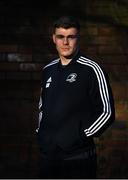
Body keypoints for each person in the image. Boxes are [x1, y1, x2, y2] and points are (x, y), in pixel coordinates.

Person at [36, 16, 115, 179]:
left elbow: (107, 113)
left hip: (78, 160)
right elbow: (42, 107)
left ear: (78, 38)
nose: (65, 42)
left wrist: (80, 136)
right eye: (61, 37)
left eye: (71, 37)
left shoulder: (92, 69)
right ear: (54, 39)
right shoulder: (47, 70)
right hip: (48, 158)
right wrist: (41, 133)